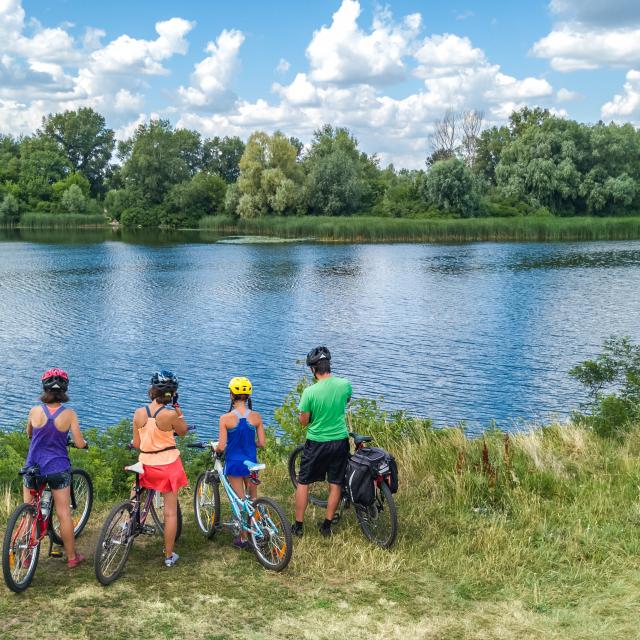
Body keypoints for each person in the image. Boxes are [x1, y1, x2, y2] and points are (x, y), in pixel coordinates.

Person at [23, 368, 87, 568]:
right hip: (58, 468)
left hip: (33, 466)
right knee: (63, 513)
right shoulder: (69, 414)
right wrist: (83, 444)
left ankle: (24, 559)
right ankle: (71, 558)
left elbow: (29, 434)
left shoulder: (34, 411)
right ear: (65, 389)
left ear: (45, 388)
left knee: (28, 513)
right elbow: (78, 443)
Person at [132, 370, 189, 567]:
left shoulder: (139, 413)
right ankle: (168, 555)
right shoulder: (171, 414)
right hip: (167, 467)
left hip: (145, 465)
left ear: (152, 390)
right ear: (172, 394)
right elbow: (182, 432)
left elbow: (138, 444)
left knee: (134, 499)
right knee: (170, 513)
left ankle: (127, 524)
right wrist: (178, 411)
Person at [294, 347, 352, 537]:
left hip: (317, 442)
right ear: (329, 366)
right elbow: (346, 401)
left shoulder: (309, 392)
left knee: (303, 482)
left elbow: (303, 421)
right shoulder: (345, 384)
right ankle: (327, 525)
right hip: (340, 440)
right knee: (335, 483)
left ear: (313, 370)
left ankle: (299, 526)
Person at [216, 376, 266, 549]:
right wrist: (250, 444)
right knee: (253, 498)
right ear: (248, 396)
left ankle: (244, 538)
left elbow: (222, 446)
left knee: (239, 500)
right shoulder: (257, 417)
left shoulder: (225, 419)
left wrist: (217, 451)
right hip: (251, 462)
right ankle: (256, 530)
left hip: (235, 464)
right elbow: (261, 443)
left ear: (231, 395)